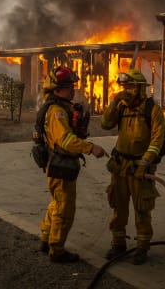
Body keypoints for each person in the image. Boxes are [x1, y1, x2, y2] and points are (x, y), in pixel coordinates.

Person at [38, 65, 108, 263]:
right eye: (69, 86)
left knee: (56, 204)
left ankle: (46, 238)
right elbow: (66, 141)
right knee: (64, 209)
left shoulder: (61, 108)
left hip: (59, 164)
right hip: (60, 166)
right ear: (57, 88)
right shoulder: (56, 112)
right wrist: (90, 148)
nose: (73, 90)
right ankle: (57, 250)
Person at [100, 68, 165, 265]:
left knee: (142, 208)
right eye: (124, 87)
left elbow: (157, 141)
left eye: (129, 87)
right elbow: (104, 124)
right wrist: (113, 103)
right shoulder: (121, 107)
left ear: (139, 89)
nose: (125, 90)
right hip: (120, 166)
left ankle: (142, 247)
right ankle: (118, 244)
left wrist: (145, 163)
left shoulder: (152, 110)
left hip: (140, 167)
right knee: (118, 208)